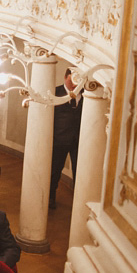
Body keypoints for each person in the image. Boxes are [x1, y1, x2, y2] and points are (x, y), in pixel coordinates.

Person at [50, 68, 83, 209]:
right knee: (54, 171)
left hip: (78, 143)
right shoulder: (55, 93)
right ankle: (50, 197)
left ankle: (78, 203)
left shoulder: (86, 95)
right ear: (65, 77)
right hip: (59, 141)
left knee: (80, 172)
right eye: (71, 80)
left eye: (78, 81)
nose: (74, 85)